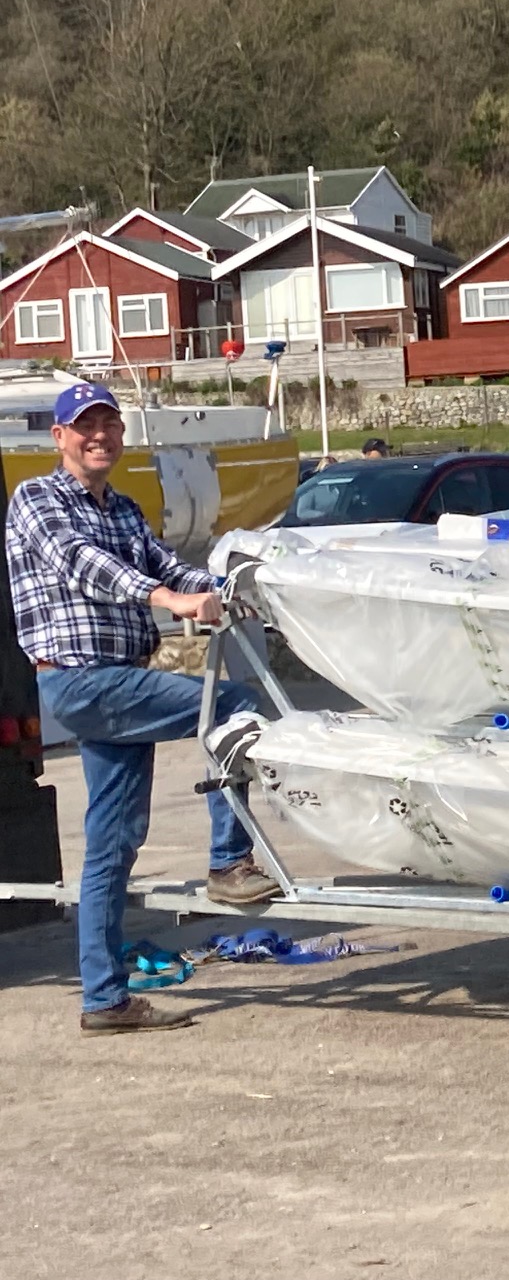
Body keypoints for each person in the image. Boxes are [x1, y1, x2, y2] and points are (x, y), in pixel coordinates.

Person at [6, 382, 279, 1036]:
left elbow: (168, 566)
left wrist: (235, 589)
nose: (99, 436)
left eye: (109, 424)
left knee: (112, 845)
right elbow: (84, 566)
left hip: (120, 681)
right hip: (80, 682)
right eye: (85, 426)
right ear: (60, 438)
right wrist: (170, 601)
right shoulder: (37, 500)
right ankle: (228, 862)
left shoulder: (125, 509)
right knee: (234, 704)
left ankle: (105, 1000)